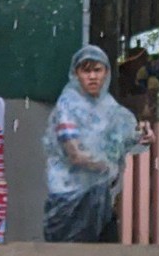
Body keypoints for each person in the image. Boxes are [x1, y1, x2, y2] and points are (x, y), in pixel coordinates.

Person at [41, 45, 152, 243]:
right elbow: (74, 154)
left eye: (97, 70)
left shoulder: (109, 108)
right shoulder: (67, 108)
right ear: (76, 74)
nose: (92, 76)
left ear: (106, 73)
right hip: (70, 201)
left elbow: (123, 138)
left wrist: (143, 137)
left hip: (101, 199)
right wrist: (104, 166)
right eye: (86, 70)